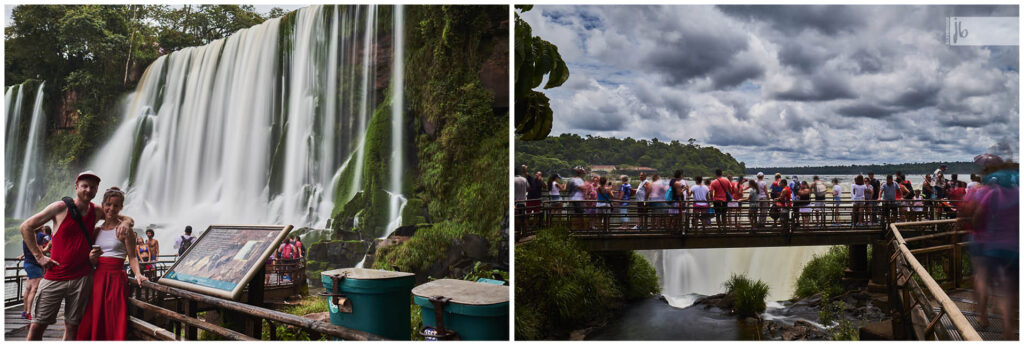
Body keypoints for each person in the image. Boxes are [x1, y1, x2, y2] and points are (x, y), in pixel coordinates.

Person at [19, 171, 134, 341]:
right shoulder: (60, 207)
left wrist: (125, 222)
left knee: (72, 327)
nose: (88, 190)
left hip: (82, 278)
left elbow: (122, 216)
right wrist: (39, 257)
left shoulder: (96, 210)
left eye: (92, 187)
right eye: (84, 186)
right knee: (37, 325)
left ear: (96, 191)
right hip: (55, 277)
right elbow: (26, 227)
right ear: (76, 186)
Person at [76, 187, 148, 340]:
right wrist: (91, 258)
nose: (111, 208)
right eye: (108, 204)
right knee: (94, 314)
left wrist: (138, 274)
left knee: (114, 316)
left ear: (121, 208)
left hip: (116, 278)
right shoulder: (96, 231)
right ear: (103, 205)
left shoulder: (125, 230)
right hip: (97, 278)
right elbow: (90, 259)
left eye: (116, 206)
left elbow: (132, 257)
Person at [961, 154, 1018, 339]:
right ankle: (1008, 329)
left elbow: (976, 219)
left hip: (988, 245)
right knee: (1008, 289)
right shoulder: (1018, 192)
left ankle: (982, 314)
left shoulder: (986, 192)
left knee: (982, 277)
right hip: (1015, 249)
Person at [18, 226, 51, 320]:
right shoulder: (40, 235)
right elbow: (40, 251)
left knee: (28, 288)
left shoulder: (27, 236)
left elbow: (31, 248)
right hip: (35, 264)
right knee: (34, 289)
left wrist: (22, 255)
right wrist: (48, 246)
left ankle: (25, 312)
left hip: (27, 263)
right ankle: (29, 313)